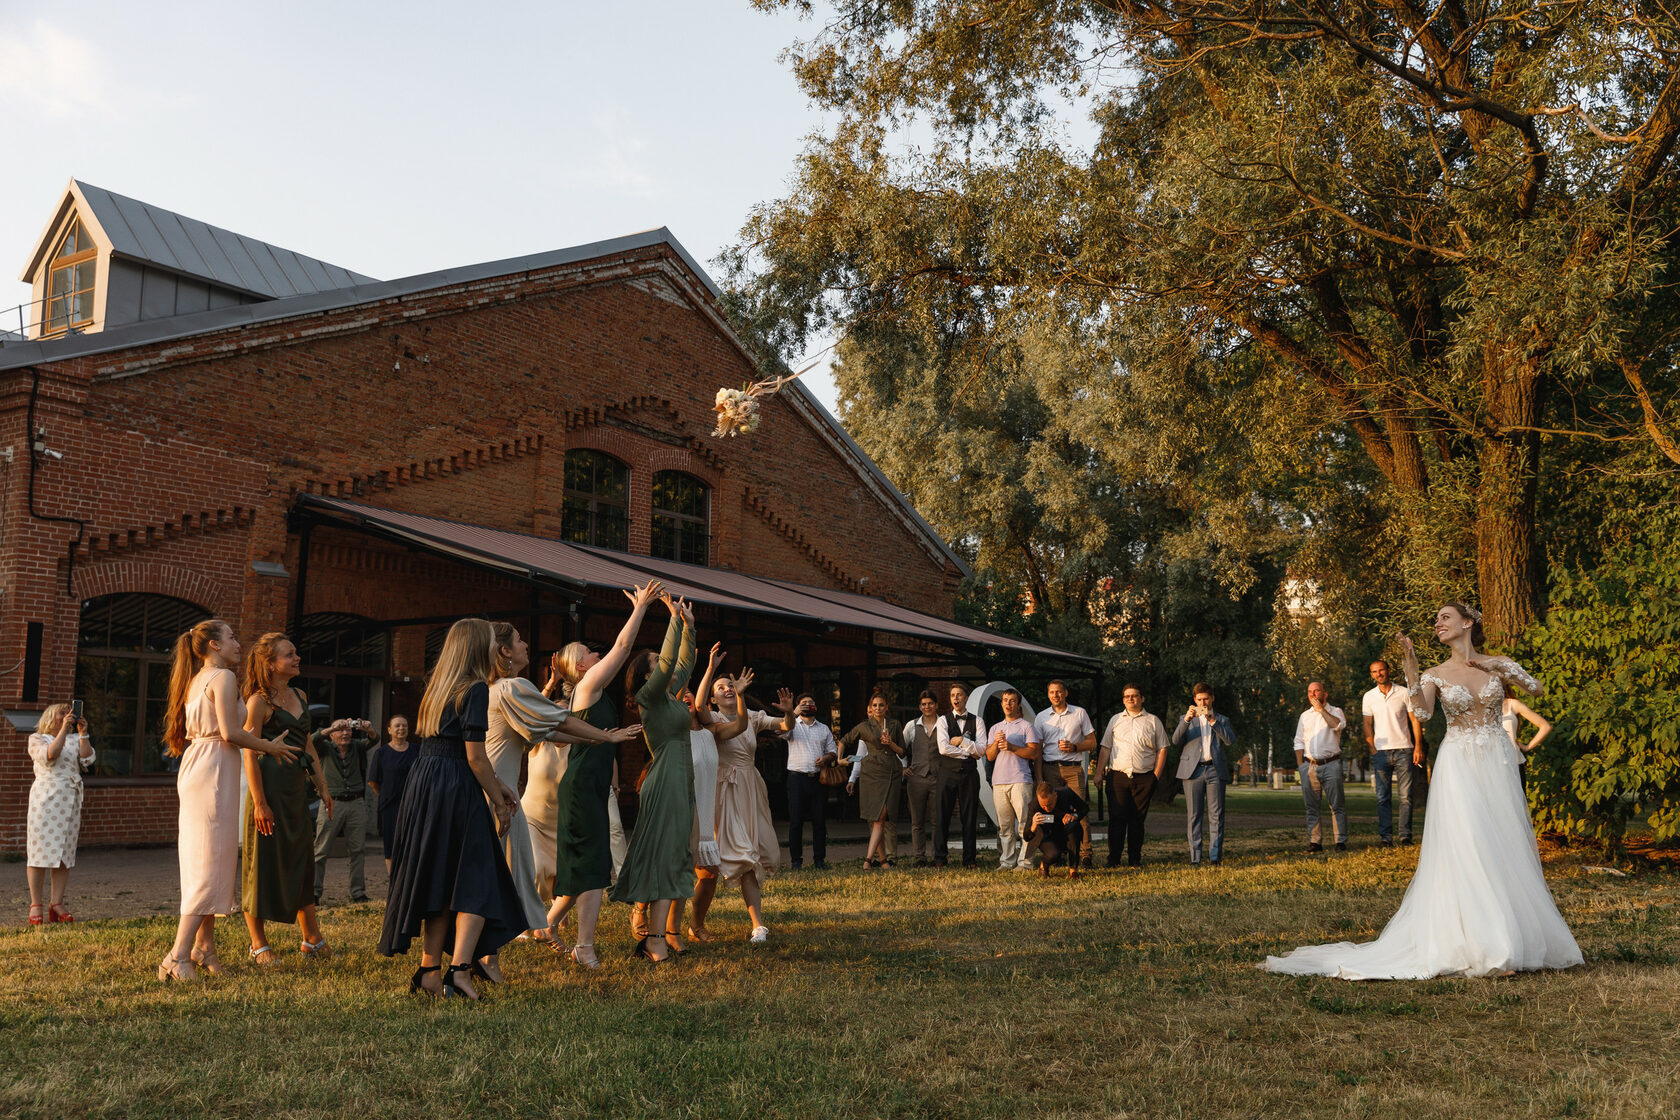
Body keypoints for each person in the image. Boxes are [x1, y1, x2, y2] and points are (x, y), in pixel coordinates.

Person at [1263, 602, 1583, 979]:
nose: (1438, 623)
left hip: (1497, 761)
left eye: (1445, 617)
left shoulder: (1498, 663)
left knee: (1504, 841)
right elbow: (1425, 713)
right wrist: (1411, 667)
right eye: (1436, 620)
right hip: (1460, 763)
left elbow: (1537, 687)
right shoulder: (1435, 674)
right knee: (1471, 843)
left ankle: (1516, 937)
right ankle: (1488, 945)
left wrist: (1499, 667)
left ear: (1467, 622)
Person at [378, 618, 526, 1000]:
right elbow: (475, 757)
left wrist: (499, 785)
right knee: (476, 877)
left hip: (425, 783)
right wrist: (499, 802)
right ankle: (460, 971)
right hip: (456, 786)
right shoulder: (476, 688)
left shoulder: (438, 688)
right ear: (479, 647)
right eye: (494, 642)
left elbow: (460, 751)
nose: (497, 648)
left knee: (438, 878)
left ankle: (429, 970)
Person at [487, 621, 640, 957]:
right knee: (506, 873)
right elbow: (556, 722)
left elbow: (551, 729)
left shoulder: (511, 688)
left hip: (517, 794)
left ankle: (526, 934)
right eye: (519, 640)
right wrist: (605, 736)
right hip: (505, 795)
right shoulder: (516, 688)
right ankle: (483, 953)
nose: (527, 644)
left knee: (532, 871)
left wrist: (596, 738)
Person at [159, 620, 297, 982]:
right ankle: (177, 956)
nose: (239, 642)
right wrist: (269, 746)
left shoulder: (198, 677)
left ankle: (205, 948)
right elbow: (230, 733)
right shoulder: (222, 678)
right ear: (215, 645)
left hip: (200, 766)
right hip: (215, 770)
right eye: (232, 637)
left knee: (205, 860)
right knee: (209, 865)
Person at [544, 582, 660, 969]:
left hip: (588, 784)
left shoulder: (595, 690)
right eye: (590, 653)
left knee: (585, 862)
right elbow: (624, 648)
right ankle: (585, 947)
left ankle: (548, 926)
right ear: (580, 667)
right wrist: (641, 607)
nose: (597, 654)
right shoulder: (589, 685)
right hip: (581, 786)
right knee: (594, 866)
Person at [608, 594, 699, 962]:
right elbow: (667, 663)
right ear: (647, 674)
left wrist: (689, 627)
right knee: (665, 855)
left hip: (680, 778)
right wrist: (673, 618)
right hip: (664, 781)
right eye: (656, 664)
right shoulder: (650, 696)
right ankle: (655, 940)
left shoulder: (672, 699)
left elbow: (684, 662)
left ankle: (656, 939)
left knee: (674, 854)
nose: (667, 668)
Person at [240, 634, 333, 964]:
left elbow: (307, 745)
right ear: (270, 663)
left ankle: (311, 938)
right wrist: (260, 802)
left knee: (301, 861)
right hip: (268, 792)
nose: (297, 658)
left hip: (295, 791)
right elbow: (249, 753)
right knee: (262, 864)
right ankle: (258, 945)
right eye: (289, 654)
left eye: (296, 652)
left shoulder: (300, 694)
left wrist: (322, 785)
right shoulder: (258, 701)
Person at [663, 649, 750, 951]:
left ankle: (695, 925)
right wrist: (709, 670)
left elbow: (739, 725)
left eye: (688, 693)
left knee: (708, 873)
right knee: (680, 870)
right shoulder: (672, 734)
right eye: (680, 694)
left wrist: (739, 695)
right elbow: (700, 701)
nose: (686, 696)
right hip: (681, 809)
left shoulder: (711, 732)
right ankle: (661, 924)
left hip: (707, 808)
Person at [696, 672, 786, 943]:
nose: (727, 690)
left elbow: (784, 726)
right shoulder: (712, 720)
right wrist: (710, 668)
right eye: (720, 688)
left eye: (730, 686)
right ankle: (757, 925)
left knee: (759, 852)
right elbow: (699, 708)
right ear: (713, 698)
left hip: (750, 788)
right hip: (724, 790)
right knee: (736, 858)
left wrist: (790, 713)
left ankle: (699, 923)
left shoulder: (754, 717)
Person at [25, 703, 94, 925]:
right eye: (62, 712)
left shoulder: (75, 739)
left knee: (64, 855)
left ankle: (57, 903)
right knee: (38, 853)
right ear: (51, 716)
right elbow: (51, 755)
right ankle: (36, 904)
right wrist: (64, 729)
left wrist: (83, 734)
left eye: (69, 711)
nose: (68, 715)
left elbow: (86, 761)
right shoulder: (38, 738)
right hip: (45, 800)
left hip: (70, 800)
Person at [1093, 684, 1170, 868]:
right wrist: (1098, 773)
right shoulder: (1115, 720)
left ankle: (1135, 859)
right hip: (1118, 776)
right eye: (1127, 696)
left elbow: (1163, 748)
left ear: (1142, 698)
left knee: (1137, 820)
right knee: (1117, 818)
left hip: (1144, 777)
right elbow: (1106, 747)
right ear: (1123, 700)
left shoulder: (1153, 721)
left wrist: (1156, 776)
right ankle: (1113, 860)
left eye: (1134, 696)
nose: (1131, 699)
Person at [1033, 680, 1097, 867]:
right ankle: (1058, 853)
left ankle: (1085, 854)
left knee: (1079, 811)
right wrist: (1039, 777)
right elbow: (1037, 750)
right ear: (1048, 694)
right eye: (1052, 692)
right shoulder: (1041, 717)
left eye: (1059, 692)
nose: (1055, 695)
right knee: (1053, 811)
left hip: (1073, 767)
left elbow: (1092, 742)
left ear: (1066, 693)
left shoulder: (1079, 713)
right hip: (1050, 767)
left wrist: (1075, 746)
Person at [310, 716, 374, 904]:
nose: (345, 733)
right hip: (331, 802)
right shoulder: (325, 748)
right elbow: (312, 740)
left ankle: (358, 892)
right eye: (341, 730)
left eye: (348, 729)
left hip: (356, 802)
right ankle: (314, 893)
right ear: (332, 734)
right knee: (320, 849)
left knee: (357, 850)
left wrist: (368, 729)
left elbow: (374, 739)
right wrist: (330, 728)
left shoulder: (357, 746)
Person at [1363, 659, 1426, 847]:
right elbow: (1367, 724)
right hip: (1381, 752)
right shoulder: (1369, 696)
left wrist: (1418, 747)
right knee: (1383, 797)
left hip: (1404, 749)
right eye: (1374, 671)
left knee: (1406, 797)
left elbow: (1415, 720)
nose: (1378, 674)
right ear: (1371, 674)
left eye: (1381, 670)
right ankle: (1386, 837)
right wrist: (1372, 748)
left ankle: (1405, 836)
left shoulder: (1404, 693)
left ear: (1388, 671)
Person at [841, 691, 905, 868]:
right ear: (868, 710)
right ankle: (881, 859)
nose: (875, 711)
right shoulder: (865, 732)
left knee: (885, 818)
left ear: (886, 707)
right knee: (876, 819)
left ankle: (884, 858)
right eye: (872, 708)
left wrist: (892, 746)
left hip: (891, 773)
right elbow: (859, 757)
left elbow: (902, 752)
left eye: (880, 706)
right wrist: (852, 778)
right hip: (872, 776)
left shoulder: (893, 725)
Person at [1172, 683, 1233, 867]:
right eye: (1199, 699)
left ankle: (1215, 857)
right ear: (1194, 700)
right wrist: (1187, 720)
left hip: (1215, 770)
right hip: (1192, 771)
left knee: (1216, 815)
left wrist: (1213, 721)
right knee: (1194, 815)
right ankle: (1195, 858)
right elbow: (1175, 740)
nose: (1203, 702)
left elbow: (1230, 740)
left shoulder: (1221, 719)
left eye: (1206, 698)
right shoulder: (1186, 718)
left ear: (1212, 698)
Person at [781, 692, 838, 870]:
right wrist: (793, 713)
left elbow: (833, 751)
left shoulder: (823, 728)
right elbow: (779, 732)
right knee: (796, 822)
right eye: (803, 703)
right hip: (797, 779)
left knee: (819, 821)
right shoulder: (792, 725)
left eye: (810, 702)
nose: (807, 705)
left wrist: (826, 758)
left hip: (818, 780)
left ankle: (819, 860)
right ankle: (796, 861)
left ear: (816, 707)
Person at [987, 688, 1042, 871]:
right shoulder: (995, 728)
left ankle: (1025, 862)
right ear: (1001, 703)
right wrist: (996, 743)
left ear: (1018, 705)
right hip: (999, 781)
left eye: (1012, 701)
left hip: (1020, 779)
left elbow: (1034, 753)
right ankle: (1007, 861)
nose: (1008, 704)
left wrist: (1012, 747)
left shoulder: (1027, 726)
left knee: (1024, 824)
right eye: (1005, 700)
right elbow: (989, 756)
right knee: (1005, 826)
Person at [936, 684, 987, 869]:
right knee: (942, 815)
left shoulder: (978, 721)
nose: (956, 698)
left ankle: (969, 859)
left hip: (969, 775)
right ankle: (940, 858)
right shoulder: (943, 720)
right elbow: (943, 748)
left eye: (959, 695)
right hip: (947, 774)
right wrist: (968, 750)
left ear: (966, 698)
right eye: (952, 695)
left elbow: (981, 750)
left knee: (970, 817)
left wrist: (961, 741)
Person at [1294, 682, 1348, 853]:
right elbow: (1298, 741)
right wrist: (1300, 766)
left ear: (1325, 693)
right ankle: (1315, 841)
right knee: (1311, 806)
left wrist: (1321, 711)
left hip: (1331, 764)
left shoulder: (1336, 711)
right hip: (1310, 765)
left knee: (1336, 805)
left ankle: (1340, 841)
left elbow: (1337, 725)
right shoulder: (1304, 716)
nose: (1313, 694)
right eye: (1309, 691)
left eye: (1316, 691)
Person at [366, 715, 418, 873]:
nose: (401, 728)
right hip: (390, 805)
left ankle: (409, 879)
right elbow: (373, 781)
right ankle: (393, 881)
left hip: (413, 803)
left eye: (404, 725)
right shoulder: (381, 753)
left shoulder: (417, 750)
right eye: (397, 726)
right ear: (389, 730)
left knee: (412, 842)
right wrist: (386, 794)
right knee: (391, 844)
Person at [901, 690, 943, 866]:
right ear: (920, 707)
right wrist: (903, 767)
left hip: (938, 777)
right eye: (924, 704)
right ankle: (919, 857)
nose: (927, 707)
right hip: (916, 778)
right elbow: (901, 749)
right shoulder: (911, 726)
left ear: (936, 705)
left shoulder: (944, 724)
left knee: (936, 820)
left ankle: (936, 856)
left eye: (930, 703)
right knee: (917, 820)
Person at [1022, 780, 1088, 878]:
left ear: (1055, 795)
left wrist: (1074, 815)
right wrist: (1034, 825)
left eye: (1049, 804)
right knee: (1054, 854)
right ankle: (1043, 866)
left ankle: (1073, 870)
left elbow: (1085, 808)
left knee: (1075, 826)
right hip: (1046, 836)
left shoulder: (1066, 793)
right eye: (1043, 806)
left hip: (1065, 831)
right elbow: (1026, 836)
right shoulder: (1034, 805)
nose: (1046, 808)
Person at [1501, 690, 1552, 758]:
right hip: (1487, 762)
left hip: (1513, 761)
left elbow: (1545, 727)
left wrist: (1527, 747)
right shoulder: (1482, 707)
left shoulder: (1512, 704)